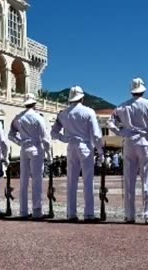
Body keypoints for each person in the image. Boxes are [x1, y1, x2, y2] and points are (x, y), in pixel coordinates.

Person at [107, 77, 148, 225]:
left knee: (129, 181)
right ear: (143, 90)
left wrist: (121, 132)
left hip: (129, 143)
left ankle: (129, 215)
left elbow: (110, 122)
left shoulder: (122, 107)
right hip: (145, 142)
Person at [51, 86, 104, 222]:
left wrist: (65, 138)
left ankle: (71, 213)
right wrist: (100, 151)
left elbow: (53, 133)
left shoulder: (63, 114)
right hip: (85, 146)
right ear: (82, 97)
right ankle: (89, 214)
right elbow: (96, 135)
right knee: (88, 181)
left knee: (71, 181)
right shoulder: (88, 112)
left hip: (71, 147)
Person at [8, 93, 52, 219]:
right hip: (36, 149)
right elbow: (45, 138)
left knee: (24, 180)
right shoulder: (38, 118)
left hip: (24, 148)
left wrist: (20, 141)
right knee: (37, 180)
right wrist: (48, 153)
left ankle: (23, 210)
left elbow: (10, 134)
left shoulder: (18, 118)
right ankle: (37, 210)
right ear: (34, 103)